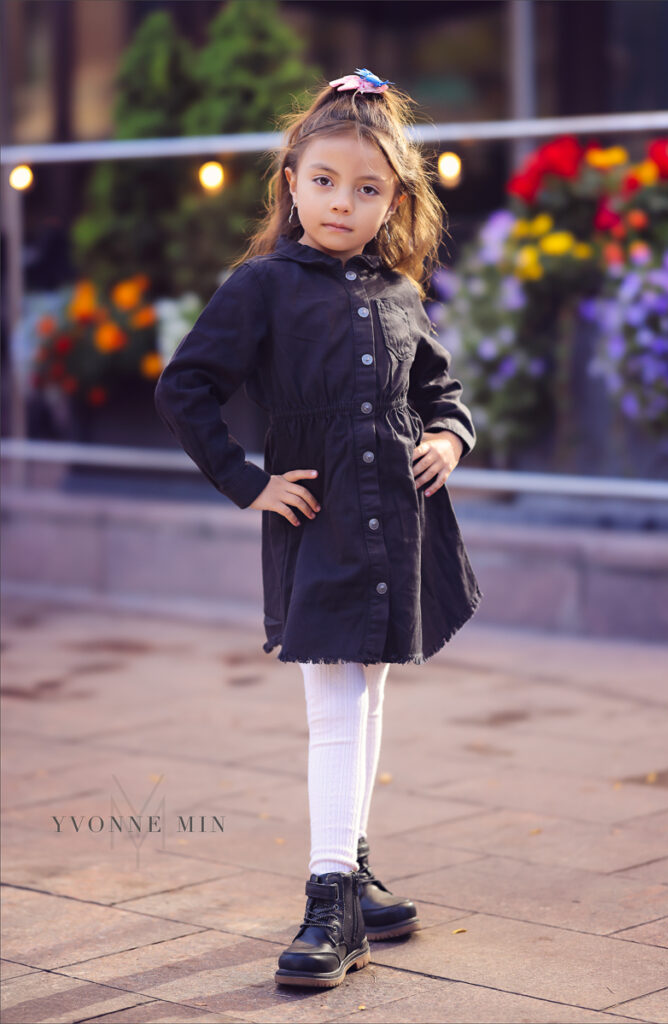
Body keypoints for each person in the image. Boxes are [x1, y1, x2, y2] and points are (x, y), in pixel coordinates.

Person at [154, 67, 483, 989]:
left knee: (367, 689)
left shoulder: (399, 293)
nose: (344, 202)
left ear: (394, 201)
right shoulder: (260, 288)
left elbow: (442, 394)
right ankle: (330, 895)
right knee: (334, 704)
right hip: (322, 524)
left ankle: (353, 862)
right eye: (326, 180)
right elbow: (184, 389)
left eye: (368, 188)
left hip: (399, 524)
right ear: (292, 180)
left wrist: (449, 441)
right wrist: (246, 482)